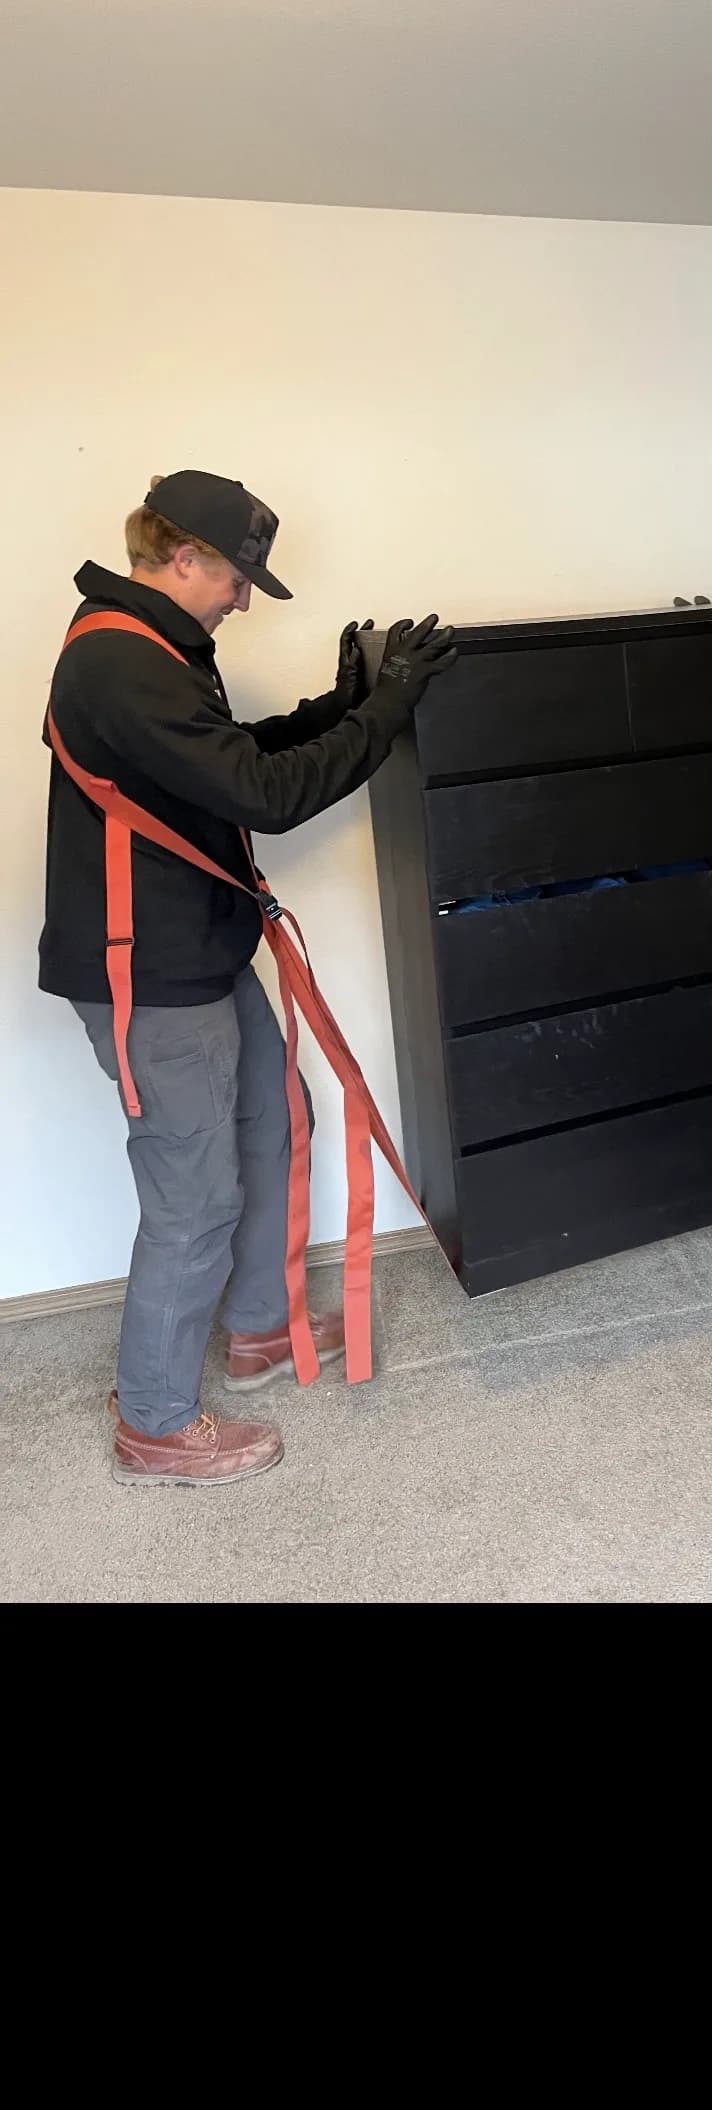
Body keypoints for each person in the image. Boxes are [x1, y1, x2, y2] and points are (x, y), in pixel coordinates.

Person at [40, 470, 455, 1487]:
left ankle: (260, 1328)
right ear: (184, 558)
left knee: (277, 1114)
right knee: (195, 1201)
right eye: (236, 580)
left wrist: (344, 703)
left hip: (202, 950)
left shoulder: (162, 650)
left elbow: (229, 756)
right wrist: (388, 713)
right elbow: (264, 795)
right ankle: (154, 1421)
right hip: (151, 977)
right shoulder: (118, 663)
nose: (241, 598)